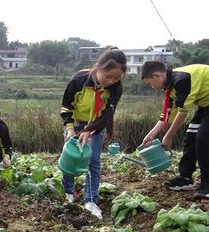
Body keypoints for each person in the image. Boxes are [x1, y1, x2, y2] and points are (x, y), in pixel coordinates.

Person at [60, 48, 127, 219]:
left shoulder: (115, 89)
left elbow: (106, 116)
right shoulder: (79, 80)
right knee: (70, 157)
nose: (110, 81)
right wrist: (70, 129)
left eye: (116, 78)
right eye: (108, 76)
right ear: (98, 68)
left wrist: (90, 131)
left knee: (94, 161)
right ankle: (68, 192)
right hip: (75, 123)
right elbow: (66, 106)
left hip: (97, 125)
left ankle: (90, 200)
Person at [140, 61, 209, 200]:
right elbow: (165, 117)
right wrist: (151, 135)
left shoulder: (182, 80)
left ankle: (207, 186)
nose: (152, 87)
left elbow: (182, 113)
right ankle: (185, 177)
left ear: (156, 76)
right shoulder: (171, 88)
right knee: (191, 136)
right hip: (205, 104)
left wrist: (168, 136)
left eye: (150, 83)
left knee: (203, 138)